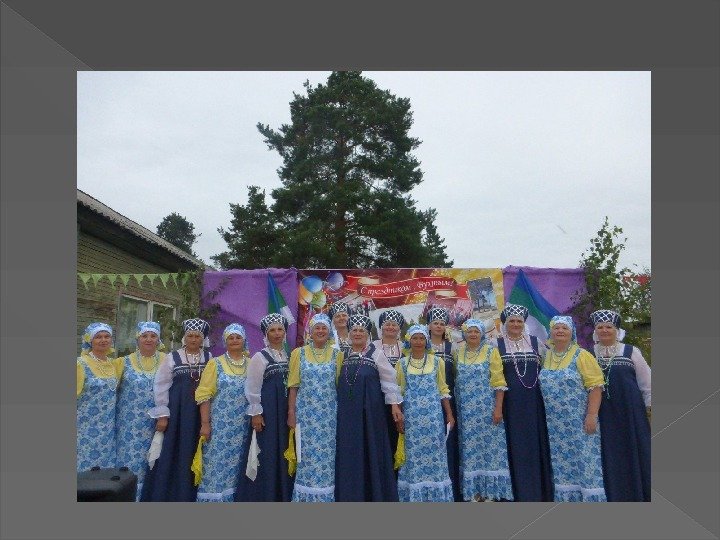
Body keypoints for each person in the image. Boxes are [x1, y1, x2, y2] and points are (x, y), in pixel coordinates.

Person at [140, 318, 211, 502]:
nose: (193, 339)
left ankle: (195, 494)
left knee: (198, 449)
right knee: (176, 449)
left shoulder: (210, 358)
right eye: (190, 336)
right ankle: (172, 494)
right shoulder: (173, 357)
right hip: (178, 412)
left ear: (203, 339)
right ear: (184, 337)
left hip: (202, 412)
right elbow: (161, 385)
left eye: (197, 336)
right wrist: (163, 415)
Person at [335, 314, 403, 501]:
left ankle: (374, 494)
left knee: (371, 448)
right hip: (347, 415)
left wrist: (395, 407)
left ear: (367, 334)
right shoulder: (342, 355)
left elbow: (390, 381)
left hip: (371, 413)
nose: (357, 334)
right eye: (354, 330)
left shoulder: (376, 354)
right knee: (350, 450)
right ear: (349, 333)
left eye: (361, 331)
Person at [541, 315, 606, 502]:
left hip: (580, 422)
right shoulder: (546, 356)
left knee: (585, 461)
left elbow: (595, 387)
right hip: (555, 425)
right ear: (551, 332)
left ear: (572, 332)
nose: (560, 331)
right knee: (561, 463)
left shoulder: (582, 355)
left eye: (565, 328)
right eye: (556, 328)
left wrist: (592, 415)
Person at [494, 303, 554, 501]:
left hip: (534, 404)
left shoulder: (537, 344)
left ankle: (537, 492)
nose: (515, 324)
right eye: (512, 321)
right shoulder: (496, 345)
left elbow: (549, 370)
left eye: (519, 321)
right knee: (512, 445)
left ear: (524, 323)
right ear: (505, 324)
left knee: (534, 444)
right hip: (509, 406)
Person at [590, 309, 651, 502]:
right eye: (600, 327)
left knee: (634, 450)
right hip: (602, 413)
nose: (604, 330)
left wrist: (648, 408)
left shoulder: (631, 352)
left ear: (617, 330)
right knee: (608, 453)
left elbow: (647, 383)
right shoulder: (589, 354)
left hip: (630, 412)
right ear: (595, 331)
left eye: (609, 327)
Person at [235, 313, 295, 502]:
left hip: (285, 413)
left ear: (285, 332)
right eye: (272, 330)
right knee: (267, 452)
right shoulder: (260, 357)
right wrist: (256, 413)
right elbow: (252, 387)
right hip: (268, 413)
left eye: (280, 330)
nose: (277, 334)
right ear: (266, 334)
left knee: (285, 450)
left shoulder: (290, 355)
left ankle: (283, 494)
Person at [454, 319, 513, 502]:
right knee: (470, 451)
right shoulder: (459, 353)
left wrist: (498, 408)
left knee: (490, 450)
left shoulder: (490, 351)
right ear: (464, 334)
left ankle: (491, 493)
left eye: (476, 332)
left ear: (482, 334)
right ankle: (475, 492)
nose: (473, 334)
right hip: (466, 413)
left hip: (487, 410)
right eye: (470, 331)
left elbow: (498, 381)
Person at [394, 325, 455, 502]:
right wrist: (399, 416)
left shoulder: (437, 362)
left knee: (436, 454)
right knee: (413, 457)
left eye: (421, 338)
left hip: (433, 418)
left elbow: (443, 389)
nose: (418, 342)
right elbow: (399, 392)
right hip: (412, 419)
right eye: (415, 338)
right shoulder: (401, 364)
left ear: (426, 341)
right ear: (409, 341)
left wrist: (449, 414)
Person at [287, 313, 342, 502]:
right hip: (305, 415)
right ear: (310, 331)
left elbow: (339, 387)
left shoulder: (337, 355)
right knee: (306, 456)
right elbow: (293, 386)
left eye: (324, 328)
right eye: (317, 327)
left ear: (329, 331)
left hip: (329, 417)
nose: (320, 331)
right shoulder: (298, 353)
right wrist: (291, 412)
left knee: (327, 457)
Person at [194, 323, 252, 502]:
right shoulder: (215, 363)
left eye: (238, 337)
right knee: (216, 463)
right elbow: (204, 395)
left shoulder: (251, 364)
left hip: (243, 427)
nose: (234, 340)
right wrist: (205, 424)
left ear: (244, 340)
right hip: (220, 426)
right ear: (225, 341)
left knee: (238, 465)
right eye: (231, 338)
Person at [115, 321, 163, 500]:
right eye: (144, 336)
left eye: (153, 336)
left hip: (157, 424)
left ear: (159, 339)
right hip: (129, 426)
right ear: (137, 338)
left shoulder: (167, 360)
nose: (149, 339)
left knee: (153, 462)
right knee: (130, 462)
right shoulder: (122, 362)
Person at [77, 322, 123, 472]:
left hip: (108, 428)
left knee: (104, 470)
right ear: (90, 340)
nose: (103, 340)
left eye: (107, 336)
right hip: (84, 427)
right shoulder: (80, 364)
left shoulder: (113, 364)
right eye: (98, 337)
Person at [426, 306, 461, 502]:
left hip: (447, 402)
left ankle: (449, 489)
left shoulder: (451, 348)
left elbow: (456, 373)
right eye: (435, 323)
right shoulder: (420, 345)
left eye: (441, 323)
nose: (438, 326)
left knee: (448, 442)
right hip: (425, 402)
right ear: (429, 326)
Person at [372, 309, 406, 460]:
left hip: (403, 399)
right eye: (387, 324)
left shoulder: (406, 347)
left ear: (399, 328)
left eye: (394, 324)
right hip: (378, 399)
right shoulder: (372, 346)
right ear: (381, 327)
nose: (390, 327)